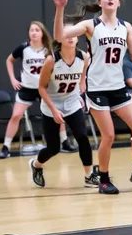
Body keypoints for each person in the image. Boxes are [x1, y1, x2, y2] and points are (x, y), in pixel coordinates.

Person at [51, 0, 132, 195]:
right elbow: (58, 35)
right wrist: (59, 9)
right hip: (97, 88)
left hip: (117, 86)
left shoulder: (125, 27)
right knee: (108, 135)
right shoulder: (91, 25)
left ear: (118, 2)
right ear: (100, 2)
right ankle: (104, 179)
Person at [29, 36, 99, 188]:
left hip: (71, 102)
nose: (70, 38)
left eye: (73, 35)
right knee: (54, 148)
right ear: (60, 39)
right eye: (66, 35)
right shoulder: (51, 60)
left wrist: (81, 84)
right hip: (51, 105)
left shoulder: (84, 57)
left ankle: (88, 176)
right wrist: (54, 110)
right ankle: (36, 164)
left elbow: (83, 75)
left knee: (82, 136)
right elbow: (41, 88)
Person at [0, 21, 76, 159]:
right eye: (31, 30)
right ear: (28, 33)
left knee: (57, 114)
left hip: (46, 88)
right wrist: (13, 79)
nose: (34, 32)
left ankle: (64, 141)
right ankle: (6, 147)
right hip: (27, 88)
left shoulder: (49, 49)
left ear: (42, 33)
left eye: (37, 30)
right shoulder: (23, 48)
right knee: (16, 115)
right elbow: (9, 60)